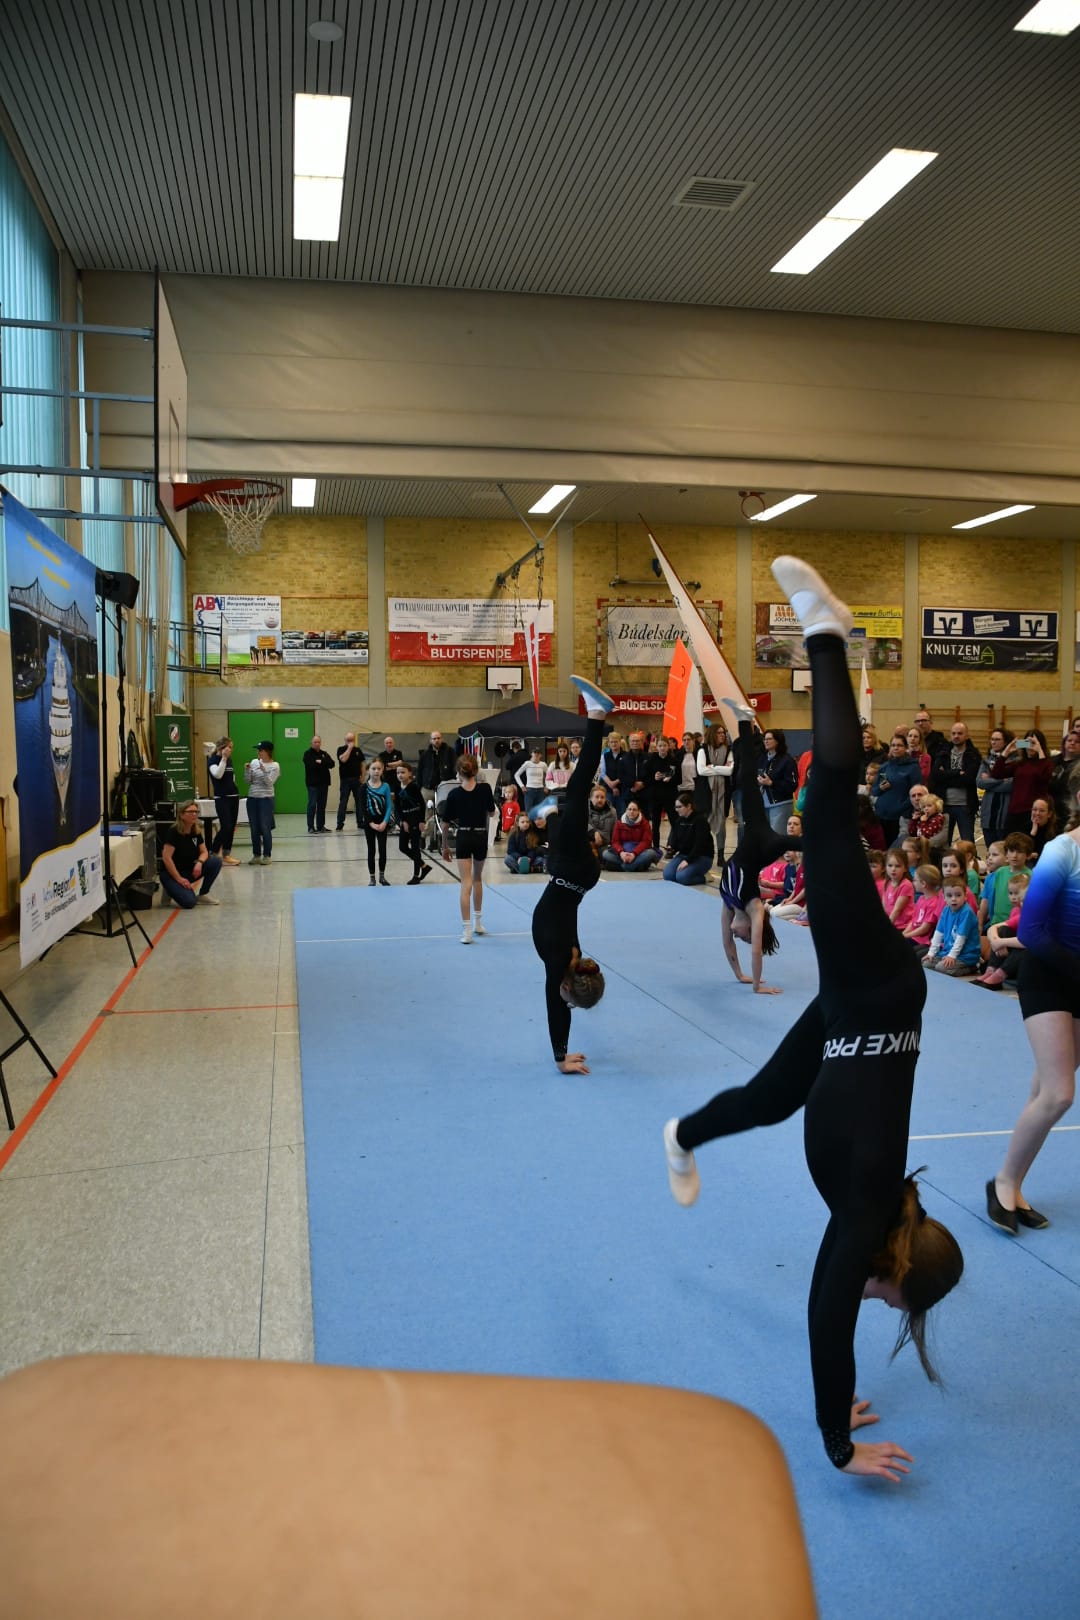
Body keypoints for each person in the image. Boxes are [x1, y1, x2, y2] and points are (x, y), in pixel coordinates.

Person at [663, 555, 963, 1480]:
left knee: (766, 1100)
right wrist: (840, 1443)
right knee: (828, 807)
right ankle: (827, 633)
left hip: (857, 1018)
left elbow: (840, 1307)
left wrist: (840, 1401)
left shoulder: (878, 1209)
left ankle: (682, 1135)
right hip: (872, 991)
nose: (880, 1306)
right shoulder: (865, 1210)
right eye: (895, 1300)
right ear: (895, 1268)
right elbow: (826, 1318)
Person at [986, 785, 1080, 1233]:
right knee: (1059, 1093)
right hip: (1050, 976)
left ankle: (1015, 1185)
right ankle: (1003, 1182)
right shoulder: (1063, 851)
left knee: (1045, 1086)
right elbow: (1034, 931)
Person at [530, 676, 611, 1074]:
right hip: (571, 870)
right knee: (579, 787)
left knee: (570, 804)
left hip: (578, 875)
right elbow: (555, 1006)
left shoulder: (572, 958)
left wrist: (563, 1053)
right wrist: (559, 1057)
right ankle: (597, 714)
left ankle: (548, 813)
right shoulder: (558, 961)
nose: (566, 1004)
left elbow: (560, 1003)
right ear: (567, 985)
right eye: (571, 1000)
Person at [718, 714, 800, 993]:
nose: (738, 936)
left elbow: (726, 943)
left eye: (741, 938)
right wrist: (756, 985)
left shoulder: (728, 905)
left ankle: (744, 721)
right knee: (809, 844)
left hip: (755, 834)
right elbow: (756, 950)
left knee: (746, 779)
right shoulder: (755, 910)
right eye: (744, 937)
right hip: (767, 847)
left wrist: (739, 975)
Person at [442, 754, 497, 942]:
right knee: (477, 879)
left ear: (459, 772)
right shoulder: (485, 788)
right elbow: (492, 813)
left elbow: (445, 824)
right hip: (480, 836)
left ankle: (466, 931)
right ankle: (477, 923)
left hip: (464, 836)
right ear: (476, 770)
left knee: (465, 884)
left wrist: (445, 846)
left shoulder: (454, 794)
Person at [160, 802, 223, 908]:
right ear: (181, 815)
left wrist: (199, 863)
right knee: (189, 903)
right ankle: (169, 889)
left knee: (215, 861)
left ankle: (203, 894)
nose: (194, 814)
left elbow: (204, 852)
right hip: (172, 874)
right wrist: (179, 879)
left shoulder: (195, 831)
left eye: (196, 812)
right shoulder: (173, 832)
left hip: (189, 870)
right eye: (190, 812)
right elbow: (166, 858)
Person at [991, 729, 1053, 835]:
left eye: (1033, 743)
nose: (1030, 747)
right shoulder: (1020, 764)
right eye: (1027, 743)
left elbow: (1044, 777)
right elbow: (996, 773)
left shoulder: (1046, 763)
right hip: (1014, 810)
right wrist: (1006, 751)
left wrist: (1039, 751)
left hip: (1033, 812)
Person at [929, 721, 981, 846]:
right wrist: (957, 772)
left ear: (967, 735)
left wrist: (946, 775)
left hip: (965, 806)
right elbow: (936, 775)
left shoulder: (973, 755)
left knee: (967, 842)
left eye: (960, 733)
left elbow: (968, 779)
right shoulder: (943, 753)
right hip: (944, 805)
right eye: (953, 733)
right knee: (943, 842)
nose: (956, 736)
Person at [870, 736, 923, 849]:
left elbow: (917, 793)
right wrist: (880, 788)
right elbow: (874, 791)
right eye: (893, 745)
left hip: (899, 817)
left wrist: (900, 808)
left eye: (899, 745)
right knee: (880, 849)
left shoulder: (913, 767)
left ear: (906, 748)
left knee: (895, 850)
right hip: (880, 815)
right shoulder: (884, 766)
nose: (896, 748)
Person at [923, 880, 981, 976]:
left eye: (958, 895)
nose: (954, 899)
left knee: (941, 968)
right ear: (944, 897)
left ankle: (972, 966)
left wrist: (952, 956)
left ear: (965, 896)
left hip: (966, 956)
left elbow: (961, 938)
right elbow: (938, 933)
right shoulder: (946, 910)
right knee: (926, 964)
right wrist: (931, 953)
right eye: (949, 896)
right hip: (947, 952)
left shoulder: (966, 912)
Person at [696, 722, 734, 859]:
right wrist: (720, 769)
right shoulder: (702, 750)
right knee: (704, 825)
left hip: (723, 793)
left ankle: (721, 856)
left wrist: (712, 767)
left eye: (723, 732)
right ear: (712, 734)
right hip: (706, 793)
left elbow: (729, 771)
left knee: (722, 825)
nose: (722, 735)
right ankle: (704, 853)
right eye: (719, 732)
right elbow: (701, 770)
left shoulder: (729, 750)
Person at [418, 730, 457, 854]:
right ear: (430, 740)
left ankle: (430, 837)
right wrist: (419, 787)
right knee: (428, 816)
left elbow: (455, 768)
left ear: (442, 739)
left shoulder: (450, 752)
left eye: (438, 738)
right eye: (434, 738)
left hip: (443, 789)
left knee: (441, 815)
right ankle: (429, 840)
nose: (436, 740)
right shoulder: (425, 754)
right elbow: (419, 771)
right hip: (427, 788)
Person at [662, 792, 714, 886]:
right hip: (684, 855)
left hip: (702, 856)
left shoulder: (700, 821)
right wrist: (672, 848)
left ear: (689, 806)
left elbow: (700, 845)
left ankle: (705, 877)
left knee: (682, 877)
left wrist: (687, 861)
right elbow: (676, 841)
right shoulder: (679, 821)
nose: (677, 810)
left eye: (679, 807)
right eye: (676, 807)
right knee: (668, 875)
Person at [977, 728, 1015, 847]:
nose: (993, 742)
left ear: (1006, 742)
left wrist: (990, 780)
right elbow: (980, 782)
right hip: (988, 815)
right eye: (992, 739)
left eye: (997, 739)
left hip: (1004, 815)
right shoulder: (986, 761)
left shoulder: (1015, 762)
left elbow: (1011, 785)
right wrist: (1001, 780)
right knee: (990, 850)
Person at [394, 762, 431, 884]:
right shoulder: (397, 787)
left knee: (415, 848)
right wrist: (401, 821)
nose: (400, 775)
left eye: (403, 772)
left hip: (415, 819)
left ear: (410, 773)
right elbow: (397, 807)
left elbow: (422, 804)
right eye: (398, 773)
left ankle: (416, 875)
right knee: (402, 847)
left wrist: (421, 821)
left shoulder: (414, 787)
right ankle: (424, 866)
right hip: (405, 820)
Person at [244, 741, 280, 864]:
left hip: (266, 799)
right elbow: (248, 781)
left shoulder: (275, 766)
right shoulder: (254, 762)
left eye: (261, 750)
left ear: (268, 752)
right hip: (252, 798)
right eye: (258, 750)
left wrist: (264, 771)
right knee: (254, 828)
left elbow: (269, 783)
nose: (258, 752)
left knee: (265, 827)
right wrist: (247, 771)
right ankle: (256, 855)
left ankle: (267, 855)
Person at [207, 737, 241, 865]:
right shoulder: (213, 760)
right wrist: (224, 759)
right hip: (222, 798)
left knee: (231, 827)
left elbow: (231, 777)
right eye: (229, 747)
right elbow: (218, 775)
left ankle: (227, 854)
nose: (231, 750)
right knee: (226, 826)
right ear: (222, 748)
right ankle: (214, 851)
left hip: (233, 797)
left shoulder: (230, 760)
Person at [602, 801, 660, 872]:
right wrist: (621, 853)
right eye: (629, 809)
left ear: (639, 811)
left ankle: (625, 867)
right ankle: (632, 866)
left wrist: (634, 854)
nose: (631, 812)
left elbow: (646, 842)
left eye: (634, 810)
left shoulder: (645, 824)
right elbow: (615, 841)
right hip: (623, 854)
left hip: (638, 854)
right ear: (626, 810)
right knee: (605, 853)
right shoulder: (619, 823)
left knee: (651, 853)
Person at [363, 759, 394, 886]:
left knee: (382, 850)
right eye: (373, 768)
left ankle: (382, 876)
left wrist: (385, 822)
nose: (376, 771)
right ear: (368, 770)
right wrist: (371, 823)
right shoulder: (364, 787)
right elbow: (362, 808)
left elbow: (389, 806)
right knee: (371, 850)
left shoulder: (385, 786)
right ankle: (372, 878)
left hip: (382, 824)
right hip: (369, 824)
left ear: (382, 770)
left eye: (379, 769)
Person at [303, 735, 336, 834]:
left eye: (318, 742)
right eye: (315, 742)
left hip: (324, 784)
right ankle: (310, 827)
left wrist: (321, 761)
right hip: (313, 784)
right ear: (311, 743)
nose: (317, 744)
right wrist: (324, 763)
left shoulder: (324, 753)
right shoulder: (307, 754)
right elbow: (311, 765)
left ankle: (321, 826)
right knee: (312, 805)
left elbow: (332, 764)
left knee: (322, 806)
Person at [336, 732, 365, 830]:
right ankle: (340, 824)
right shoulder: (341, 749)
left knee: (359, 802)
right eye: (348, 740)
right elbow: (343, 760)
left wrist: (363, 777)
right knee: (343, 802)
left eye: (351, 740)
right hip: (345, 780)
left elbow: (362, 764)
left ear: (354, 740)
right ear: (345, 740)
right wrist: (349, 748)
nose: (350, 742)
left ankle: (360, 822)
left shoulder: (358, 750)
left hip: (357, 780)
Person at [515, 746, 548, 814]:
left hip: (540, 791)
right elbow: (516, 775)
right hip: (529, 791)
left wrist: (547, 786)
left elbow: (550, 776)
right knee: (528, 812)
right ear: (531, 753)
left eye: (538, 753)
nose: (536, 754)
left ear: (541, 755)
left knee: (540, 812)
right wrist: (522, 786)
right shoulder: (527, 763)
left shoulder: (543, 764)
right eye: (535, 752)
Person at [1027, 797, 1057, 862]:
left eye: (1042, 811)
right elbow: (1024, 850)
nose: (1037, 813)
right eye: (1034, 809)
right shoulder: (1026, 826)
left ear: (1049, 814)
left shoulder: (1056, 830)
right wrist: (1033, 832)